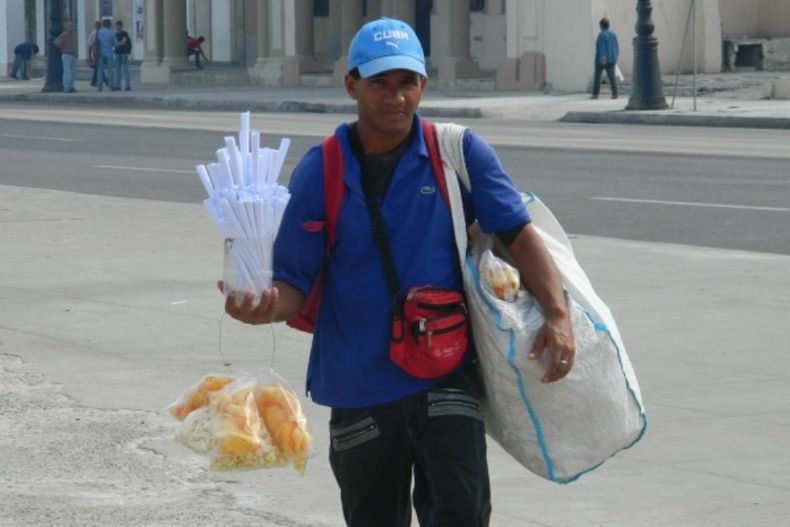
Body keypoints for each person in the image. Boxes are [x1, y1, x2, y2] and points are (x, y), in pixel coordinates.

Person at [221, 17, 575, 527]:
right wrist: (258, 308)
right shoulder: (321, 169)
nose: (395, 98)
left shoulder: (457, 153)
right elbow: (293, 286)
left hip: (446, 375)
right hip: (359, 388)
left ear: (423, 86)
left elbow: (519, 235)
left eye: (406, 83)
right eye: (379, 84)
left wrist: (557, 313)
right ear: (351, 85)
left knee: (462, 516)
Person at [592, 17, 620, 99]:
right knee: (612, 78)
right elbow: (616, 46)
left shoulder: (601, 35)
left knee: (597, 77)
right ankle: (615, 94)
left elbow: (602, 47)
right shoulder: (613, 34)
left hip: (601, 60)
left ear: (601, 26)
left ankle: (595, 94)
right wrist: (616, 56)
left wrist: (603, 58)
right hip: (612, 59)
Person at [53, 21, 77, 92]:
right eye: (70, 26)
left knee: (73, 72)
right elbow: (56, 42)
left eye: (72, 26)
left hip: (72, 55)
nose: (72, 27)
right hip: (66, 54)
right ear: (66, 27)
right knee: (67, 72)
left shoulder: (71, 35)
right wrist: (62, 47)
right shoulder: (64, 35)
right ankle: (66, 87)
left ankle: (71, 86)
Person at [95, 19, 116, 92]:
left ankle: (99, 87)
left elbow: (96, 42)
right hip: (109, 53)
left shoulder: (99, 32)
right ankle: (111, 86)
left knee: (100, 70)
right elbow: (115, 44)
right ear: (109, 25)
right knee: (110, 70)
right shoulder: (111, 33)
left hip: (101, 53)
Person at [113, 20, 132, 91]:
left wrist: (118, 43)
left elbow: (122, 42)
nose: (117, 27)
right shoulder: (115, 34)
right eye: (116, 26)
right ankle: (117, 85)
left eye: (118, 26)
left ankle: (128, 85)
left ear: (121, 26)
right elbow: (117, 44)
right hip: (117, 53)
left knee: (125, 70)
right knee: (117, 70)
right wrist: (119, 43)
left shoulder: (125, 33)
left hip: (124, 53)